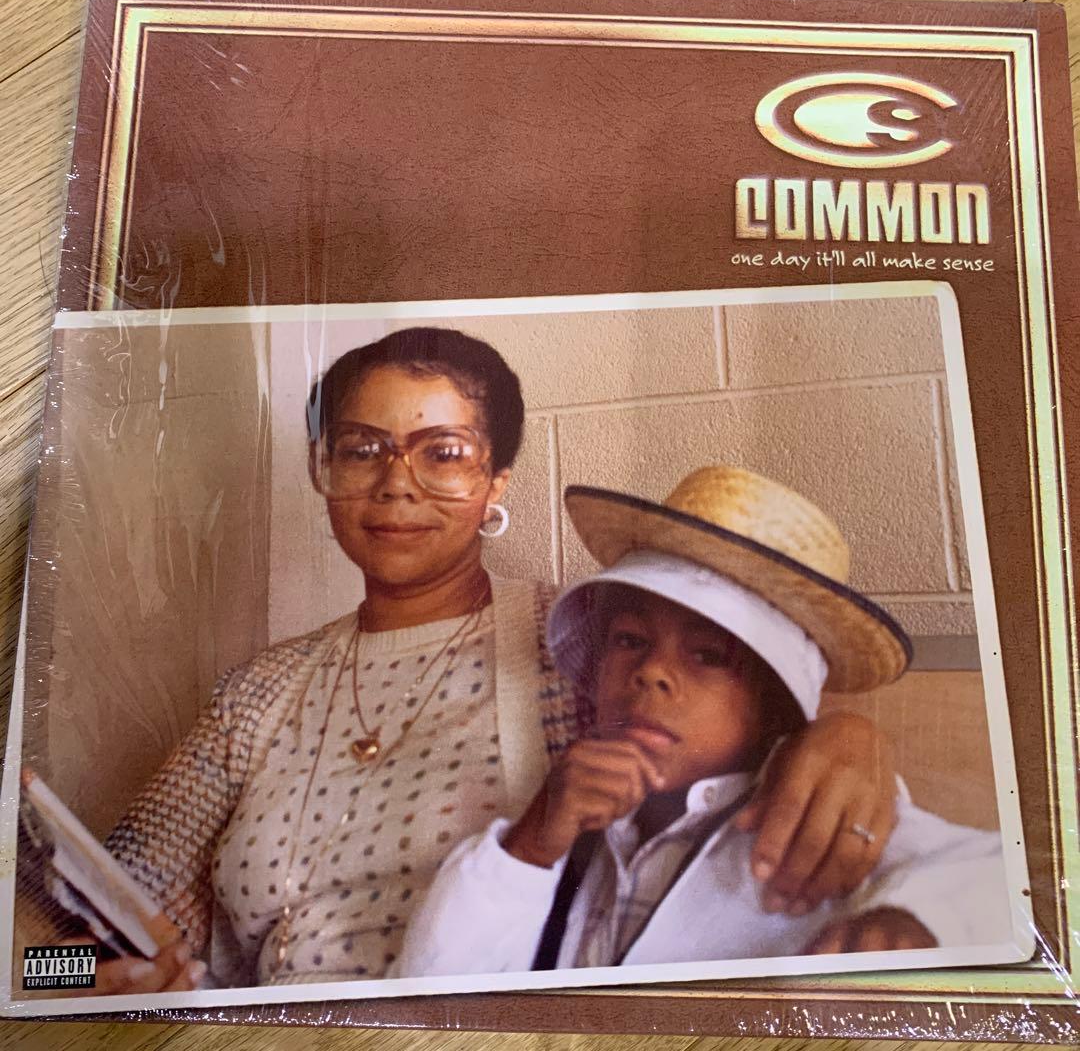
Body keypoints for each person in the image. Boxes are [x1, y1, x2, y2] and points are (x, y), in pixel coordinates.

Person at [90, 328, 899, 992]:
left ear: (497, 482)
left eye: (442, 453)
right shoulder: (260, 691)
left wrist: (843, 735)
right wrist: (80, 974)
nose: (395, 485)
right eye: (362, 449)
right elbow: (97, 909)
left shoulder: (575, 639)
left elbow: (727, 723)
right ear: (321, 469)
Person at [396, 467, 1011, 977]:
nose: (651, 673)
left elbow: (1001, 874)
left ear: (776, 702)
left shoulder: (820, 814)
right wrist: (531, 845)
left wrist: (913, 923)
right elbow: (431, 986)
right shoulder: (578, 823)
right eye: (629, 640)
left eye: (709, 655)